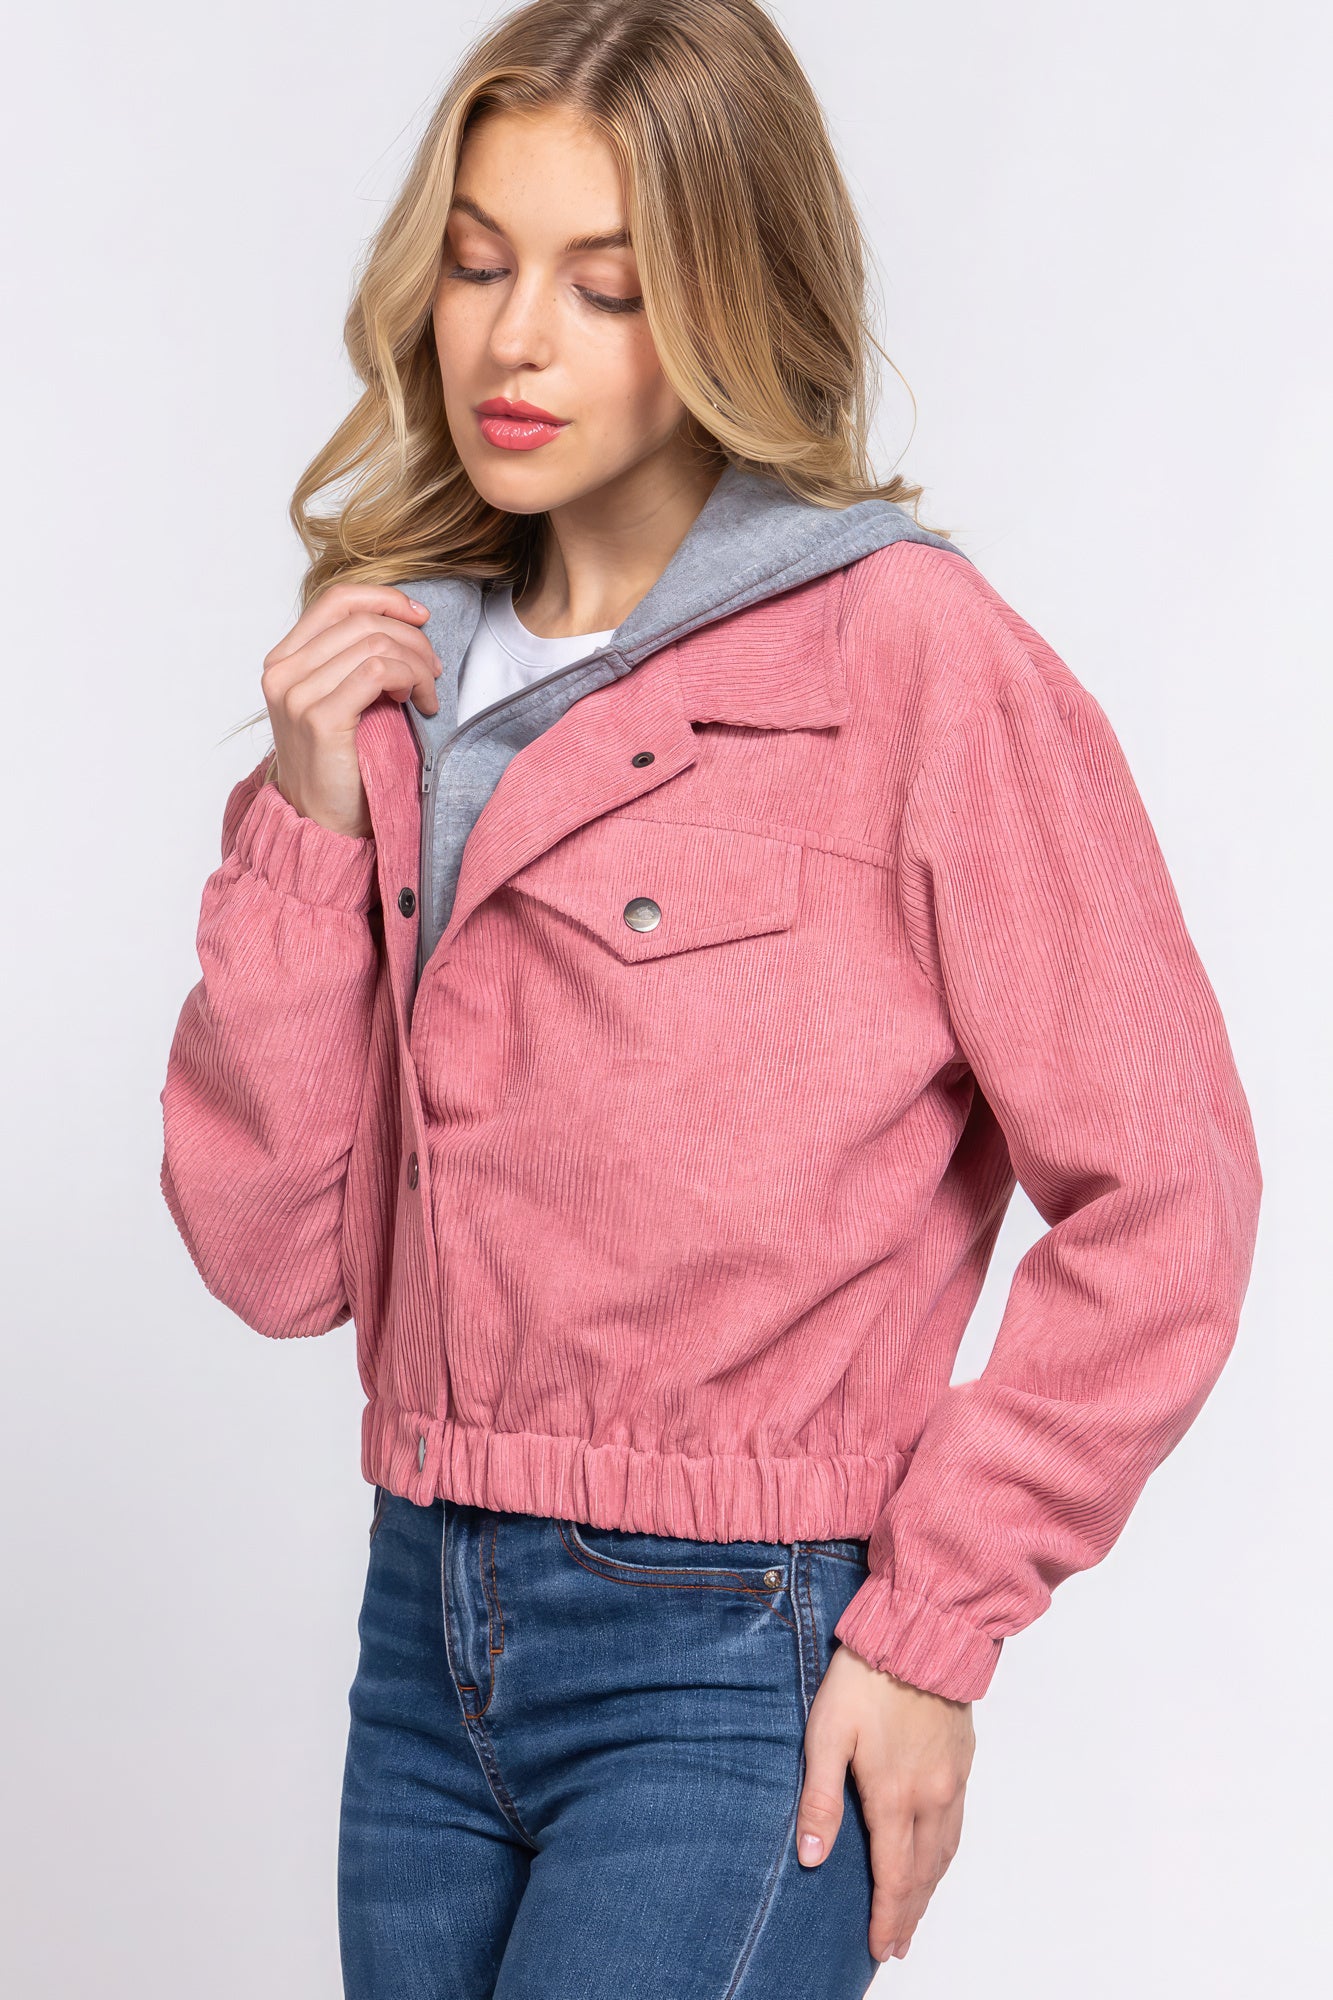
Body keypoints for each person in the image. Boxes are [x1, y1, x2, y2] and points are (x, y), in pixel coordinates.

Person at [157, 2, 1263, 1994]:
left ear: (733, 299)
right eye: (478, 265)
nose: (513, 341)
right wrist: (309, 823)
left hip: (738, 1652)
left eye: (608, 287)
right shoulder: (393, 683)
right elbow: (270, 1261)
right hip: (419, 1638)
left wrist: (931, 1630)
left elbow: (1168, 1191)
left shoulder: (906, 655)